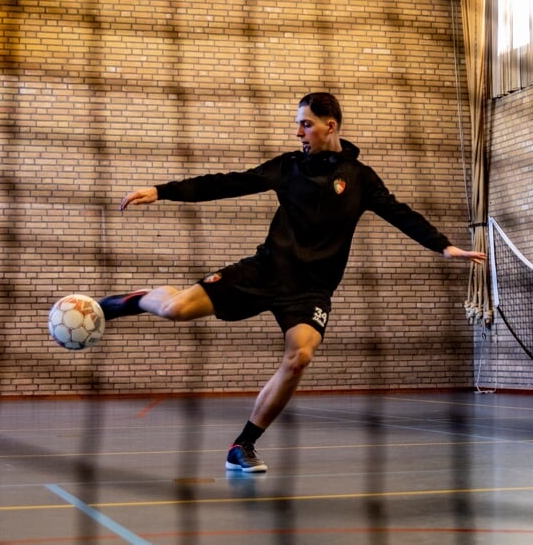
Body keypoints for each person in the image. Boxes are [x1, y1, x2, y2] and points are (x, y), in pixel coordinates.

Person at [98, 92, 486, 473]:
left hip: (311, 289)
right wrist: (162, 192)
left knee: (299, 357)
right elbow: (227, 183)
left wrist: (443, 246)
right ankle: (129, 301)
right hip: (266, 270)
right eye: (299, 124)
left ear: (329, 126)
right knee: (174, 309)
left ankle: (242, 444)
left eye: (306, 124)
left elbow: (399, 213)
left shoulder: (360, 178)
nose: (299, 132)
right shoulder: (287, 168)